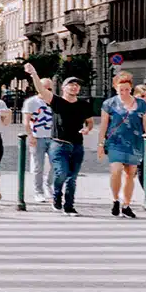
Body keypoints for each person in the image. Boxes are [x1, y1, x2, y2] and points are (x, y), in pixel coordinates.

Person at [98, 70, 146, 218]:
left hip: (135, 143)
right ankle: (115, 199)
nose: (124, 92)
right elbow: (104, 125)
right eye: (121, 89)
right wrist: (100, 144)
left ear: (131, 88)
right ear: (115, 88)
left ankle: (126, 205)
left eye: (127, 89)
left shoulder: (141, 104)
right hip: (115, 141)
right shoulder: (109, 104)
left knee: (131, 174)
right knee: (116, 170)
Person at [47, 75, 93, 214]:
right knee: (61, 173)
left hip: (77, 145)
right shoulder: (57, 102)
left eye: (77, 85)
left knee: (72, 178)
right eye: (71, 84)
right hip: (59, 144)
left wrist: (87, 128)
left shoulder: (83, 104)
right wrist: (33, 74)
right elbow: (42, 91)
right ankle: (57, 196)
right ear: (63, 87)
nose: (74, 87)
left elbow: (90, 121)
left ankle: (69, 205)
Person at [20, 73, 56, 199]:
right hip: (38, 136)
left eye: (50, 89)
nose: (47, 91)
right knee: (38, 166)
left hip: (53, 138)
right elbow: (26, 120)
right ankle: (38, 191)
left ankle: (48, 185)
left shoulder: (54, 100)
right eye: (44, 88)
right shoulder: (31, 102)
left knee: (55, 164)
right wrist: (30, 135)